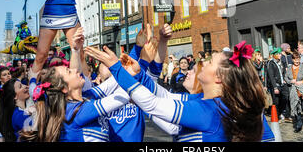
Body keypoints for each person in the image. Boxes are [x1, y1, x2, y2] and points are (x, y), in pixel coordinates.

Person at [85, 41, 266, 142]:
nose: (202, 63)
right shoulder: (205, 102)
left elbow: (153, 103)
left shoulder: (209, 111)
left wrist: (116, 68)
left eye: (210, 62)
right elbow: (166, 96)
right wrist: (138, 75)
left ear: (219, 78)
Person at [285, 52, 303, 134]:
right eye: (295, 59)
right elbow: (286, 78)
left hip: (302, 90)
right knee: (296, 109)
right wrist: (290, 81)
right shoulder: (289, 68)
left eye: (298, 59)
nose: (297, 61)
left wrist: (301, 81)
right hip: (293, 91)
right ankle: (298, 126)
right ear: (292, 59)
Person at [267, 48, 290, 120]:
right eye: (278, 54)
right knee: (276, 101)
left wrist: (285, 80)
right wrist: (275, 87)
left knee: (285, 98)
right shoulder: (271, 63)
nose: (280, 55)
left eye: (280, 54)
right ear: (274, 55)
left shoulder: (282, 62)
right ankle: (276, 116)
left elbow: (283, 72)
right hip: (276, 85)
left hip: (283, 84)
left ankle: (282, 113)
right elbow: (271, 76)